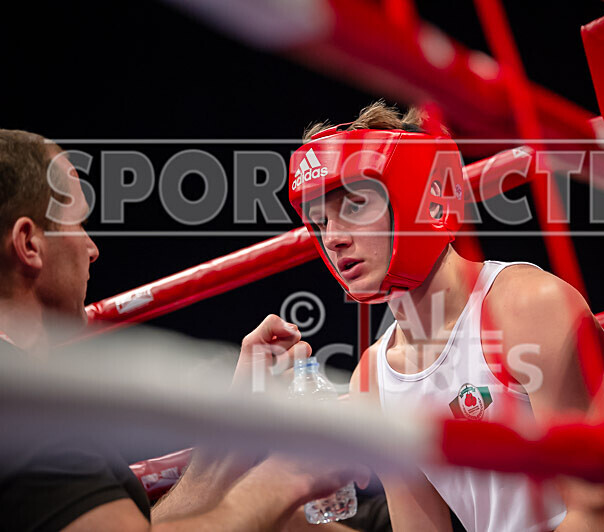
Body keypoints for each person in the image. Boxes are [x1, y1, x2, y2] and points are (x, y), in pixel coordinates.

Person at [287, 102, 604, 531]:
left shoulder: (527, 307)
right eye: (321, 223)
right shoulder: (372, 380)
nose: (334, 238)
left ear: (419, 198)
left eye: (356, 207)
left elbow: (601, 512)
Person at [0, 129, 364, 531]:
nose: (92, 249)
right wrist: (288, 476)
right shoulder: (18, 403)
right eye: (78, 224)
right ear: (29, 244)